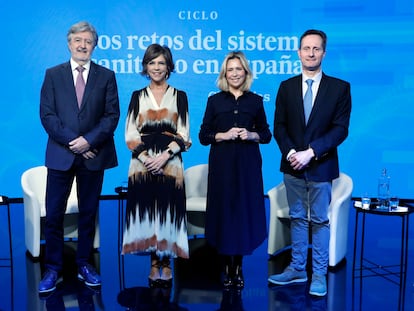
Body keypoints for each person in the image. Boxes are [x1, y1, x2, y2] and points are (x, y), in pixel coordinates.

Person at [268, 29, 351, 296]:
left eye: (316, 49)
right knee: (297, 218)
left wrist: (311, 152)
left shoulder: (339, 88)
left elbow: (340, 130)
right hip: (292, 165)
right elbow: (279, 126)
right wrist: (291, 151)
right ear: (299, 52)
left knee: (319, 220)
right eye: (306, 48)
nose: (311, 53)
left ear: (323, 53)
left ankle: (318, 275)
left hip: (320, 165)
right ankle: (296, 269)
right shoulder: (286, 86)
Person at [39, 21, 120, 293]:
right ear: (69, 43)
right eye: (78, 41)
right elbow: (47, 115)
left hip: (93, 156)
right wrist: (75, 143)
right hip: (61, 155)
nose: (83, 45)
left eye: (88, 41)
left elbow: (111, 116)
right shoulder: (53, 74)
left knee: (87, 214)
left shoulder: (106, 76)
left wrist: (88, 141)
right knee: (54, 216)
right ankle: (52, 268)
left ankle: (85, 264)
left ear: (94, 45)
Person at [199, 51, 272, 290]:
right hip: (222, 165)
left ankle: (237, 267)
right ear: (224, 74)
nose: (234, 74)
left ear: (246, 72)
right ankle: (226, 265)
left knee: (242, 212)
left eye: (238, 69)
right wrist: (222, 135)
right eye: (230, 70)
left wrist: (252, 135)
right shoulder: (215, 101)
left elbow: (266, 134)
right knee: (225, 212)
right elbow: (203, 135)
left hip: (248, 165)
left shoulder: (256, 101)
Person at [121, 43, 191, 289]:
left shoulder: (180, 96)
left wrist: (164, 157)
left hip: (171, 164)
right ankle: (154, 263)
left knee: (168, 213)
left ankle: (167, 263)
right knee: (149, 213)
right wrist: (147, 159)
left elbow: (184, 134)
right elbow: (130, 133)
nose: (157, 67)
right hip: (142, 164)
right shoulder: (136, 96)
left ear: (168, 66)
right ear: (146, 66)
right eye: (152, 63)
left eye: (161, 63)